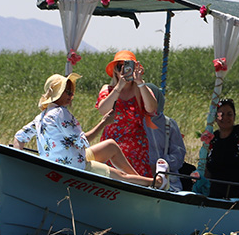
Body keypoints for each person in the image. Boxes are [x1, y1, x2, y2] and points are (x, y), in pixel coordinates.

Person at [13, 73, 156, 186]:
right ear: (58, 93)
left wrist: (18, 164)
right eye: (67, 92)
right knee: (122, 177)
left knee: (110, 145)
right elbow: (83, 141)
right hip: (77, 166)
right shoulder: (60, 113)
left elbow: (19, 138)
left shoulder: (41, 116)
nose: (71, 96)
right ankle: (156, 183)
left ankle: (138, 181)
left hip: (65, 160)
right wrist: (104, 122)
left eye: (71, 92)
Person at [96, 50, 157, 177]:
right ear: (115, 71)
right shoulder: (108, 89)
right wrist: (119, 87)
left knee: (138, 181)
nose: (125, 71)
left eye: (129, 66)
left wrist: (140, 83)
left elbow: (152, 108)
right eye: (120, 67)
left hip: (136, 151)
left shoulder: (141, 91)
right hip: (111, 149)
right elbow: (102, 110)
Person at [143, 83, 193, 191]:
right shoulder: (134, 122)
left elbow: (178, 154)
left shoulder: (168, 124)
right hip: (139, 175)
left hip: (167, 180)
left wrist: (160, 166)